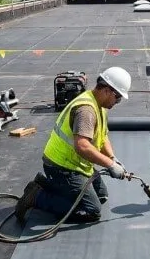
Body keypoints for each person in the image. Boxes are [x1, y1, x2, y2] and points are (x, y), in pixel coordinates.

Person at [14, 67, 132, 224]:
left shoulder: (99, 106)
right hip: (62, 167)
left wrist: (112, 158)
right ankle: (37, 197)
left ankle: (45, 185)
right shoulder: (86, 111)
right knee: (92, 211)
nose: (117, 102)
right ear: (106, 90)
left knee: (102, 195)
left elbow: (102, 137)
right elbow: (82, 146)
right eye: (117, 97)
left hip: (77, 165)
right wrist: (109, 165)